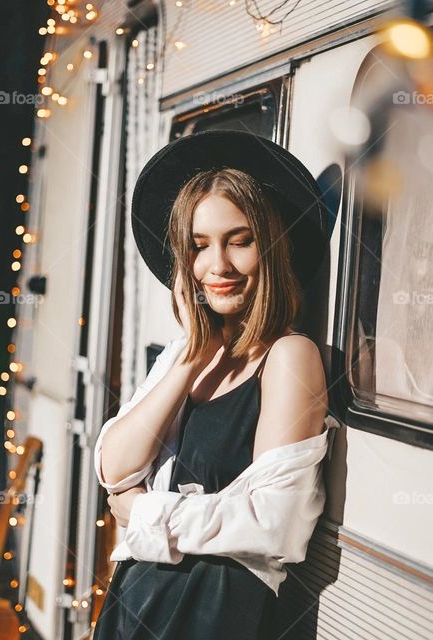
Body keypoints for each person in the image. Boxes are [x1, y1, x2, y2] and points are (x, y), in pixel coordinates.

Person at [92, 130, 336, 640]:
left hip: (214, 611)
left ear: (271, 247)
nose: (218, 266)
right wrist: (188, 359)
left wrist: (146, 512)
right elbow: (114, 468)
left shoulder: (289, 357)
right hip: (134, 597)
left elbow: (273, 525)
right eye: (200, 247)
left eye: (240, 241)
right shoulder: (188, 353)